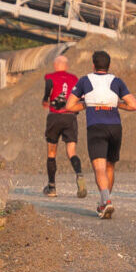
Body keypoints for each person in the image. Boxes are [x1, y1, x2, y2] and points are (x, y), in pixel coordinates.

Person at [64, 49, 136, 219]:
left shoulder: (85, 80)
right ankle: (105, 202)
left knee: (99, 168)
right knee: (110, 166)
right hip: (115, 127)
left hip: (96, 126)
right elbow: (133, 105)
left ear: (93, 65)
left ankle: (106, 201)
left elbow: (69, 106)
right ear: (109, 66)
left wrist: (86, 104)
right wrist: (116, 104)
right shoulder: (116, 81)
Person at [40, 53, 84, 197]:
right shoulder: (74, 78)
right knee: (72, 152)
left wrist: (46, 98)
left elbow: (48, 85)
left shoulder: (50, 76)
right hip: (70, 117)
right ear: (67, 66)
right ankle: (79, 174)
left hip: (55, 117)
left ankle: (52, 187)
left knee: (52, 152)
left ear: (55, 65)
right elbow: (81, 97)